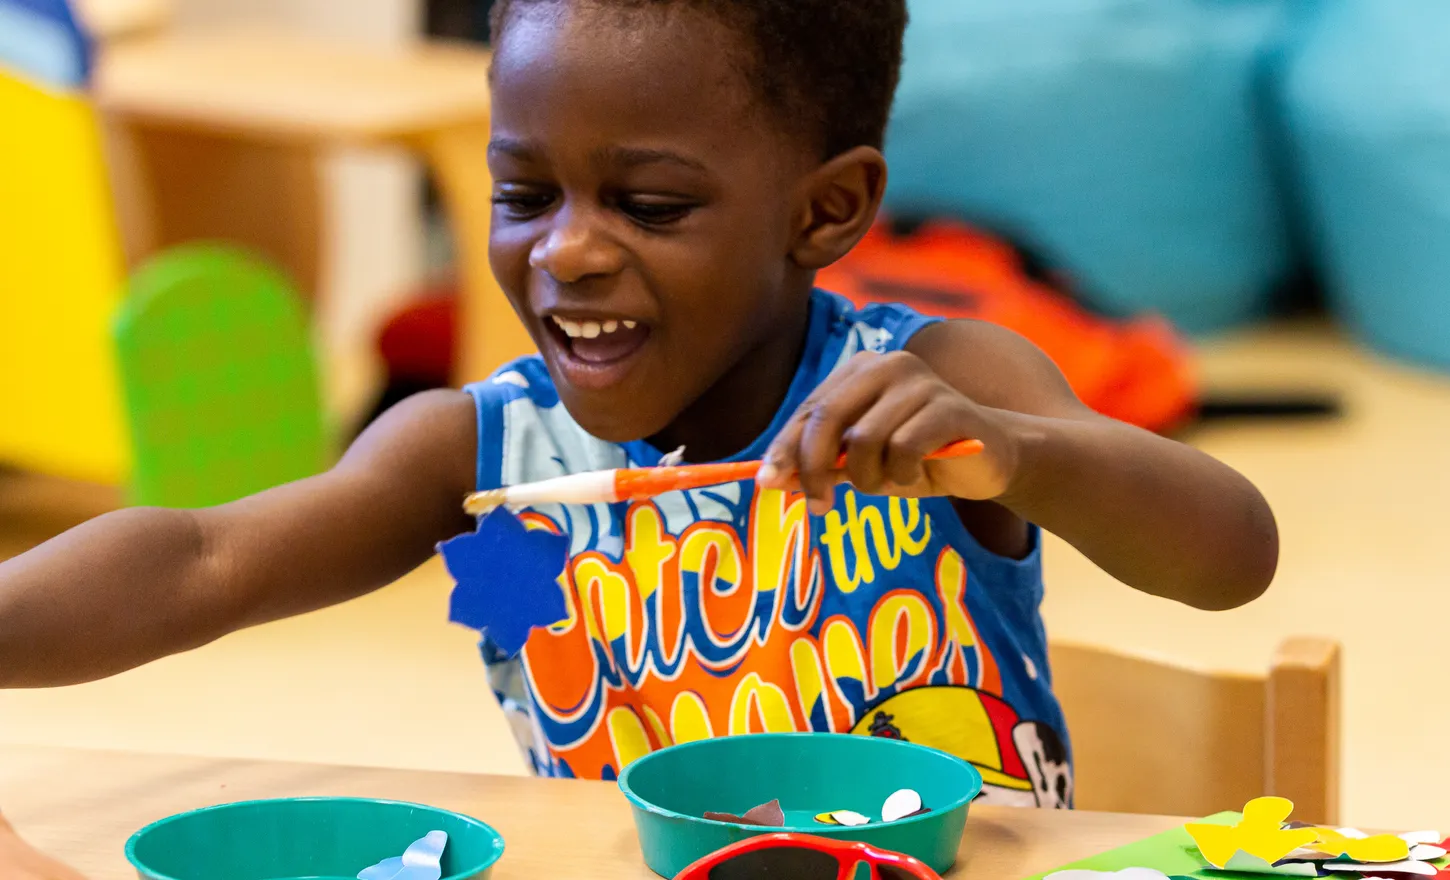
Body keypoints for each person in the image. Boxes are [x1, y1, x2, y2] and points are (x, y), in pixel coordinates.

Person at [0, 0, 1278, 870]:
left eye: (651, 205)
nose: (565, 251)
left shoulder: (940, 381)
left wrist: (1021, 452)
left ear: (826, 210)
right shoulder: (474, 453)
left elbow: (1232, 554)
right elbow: (202, 560)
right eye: (521, 194)